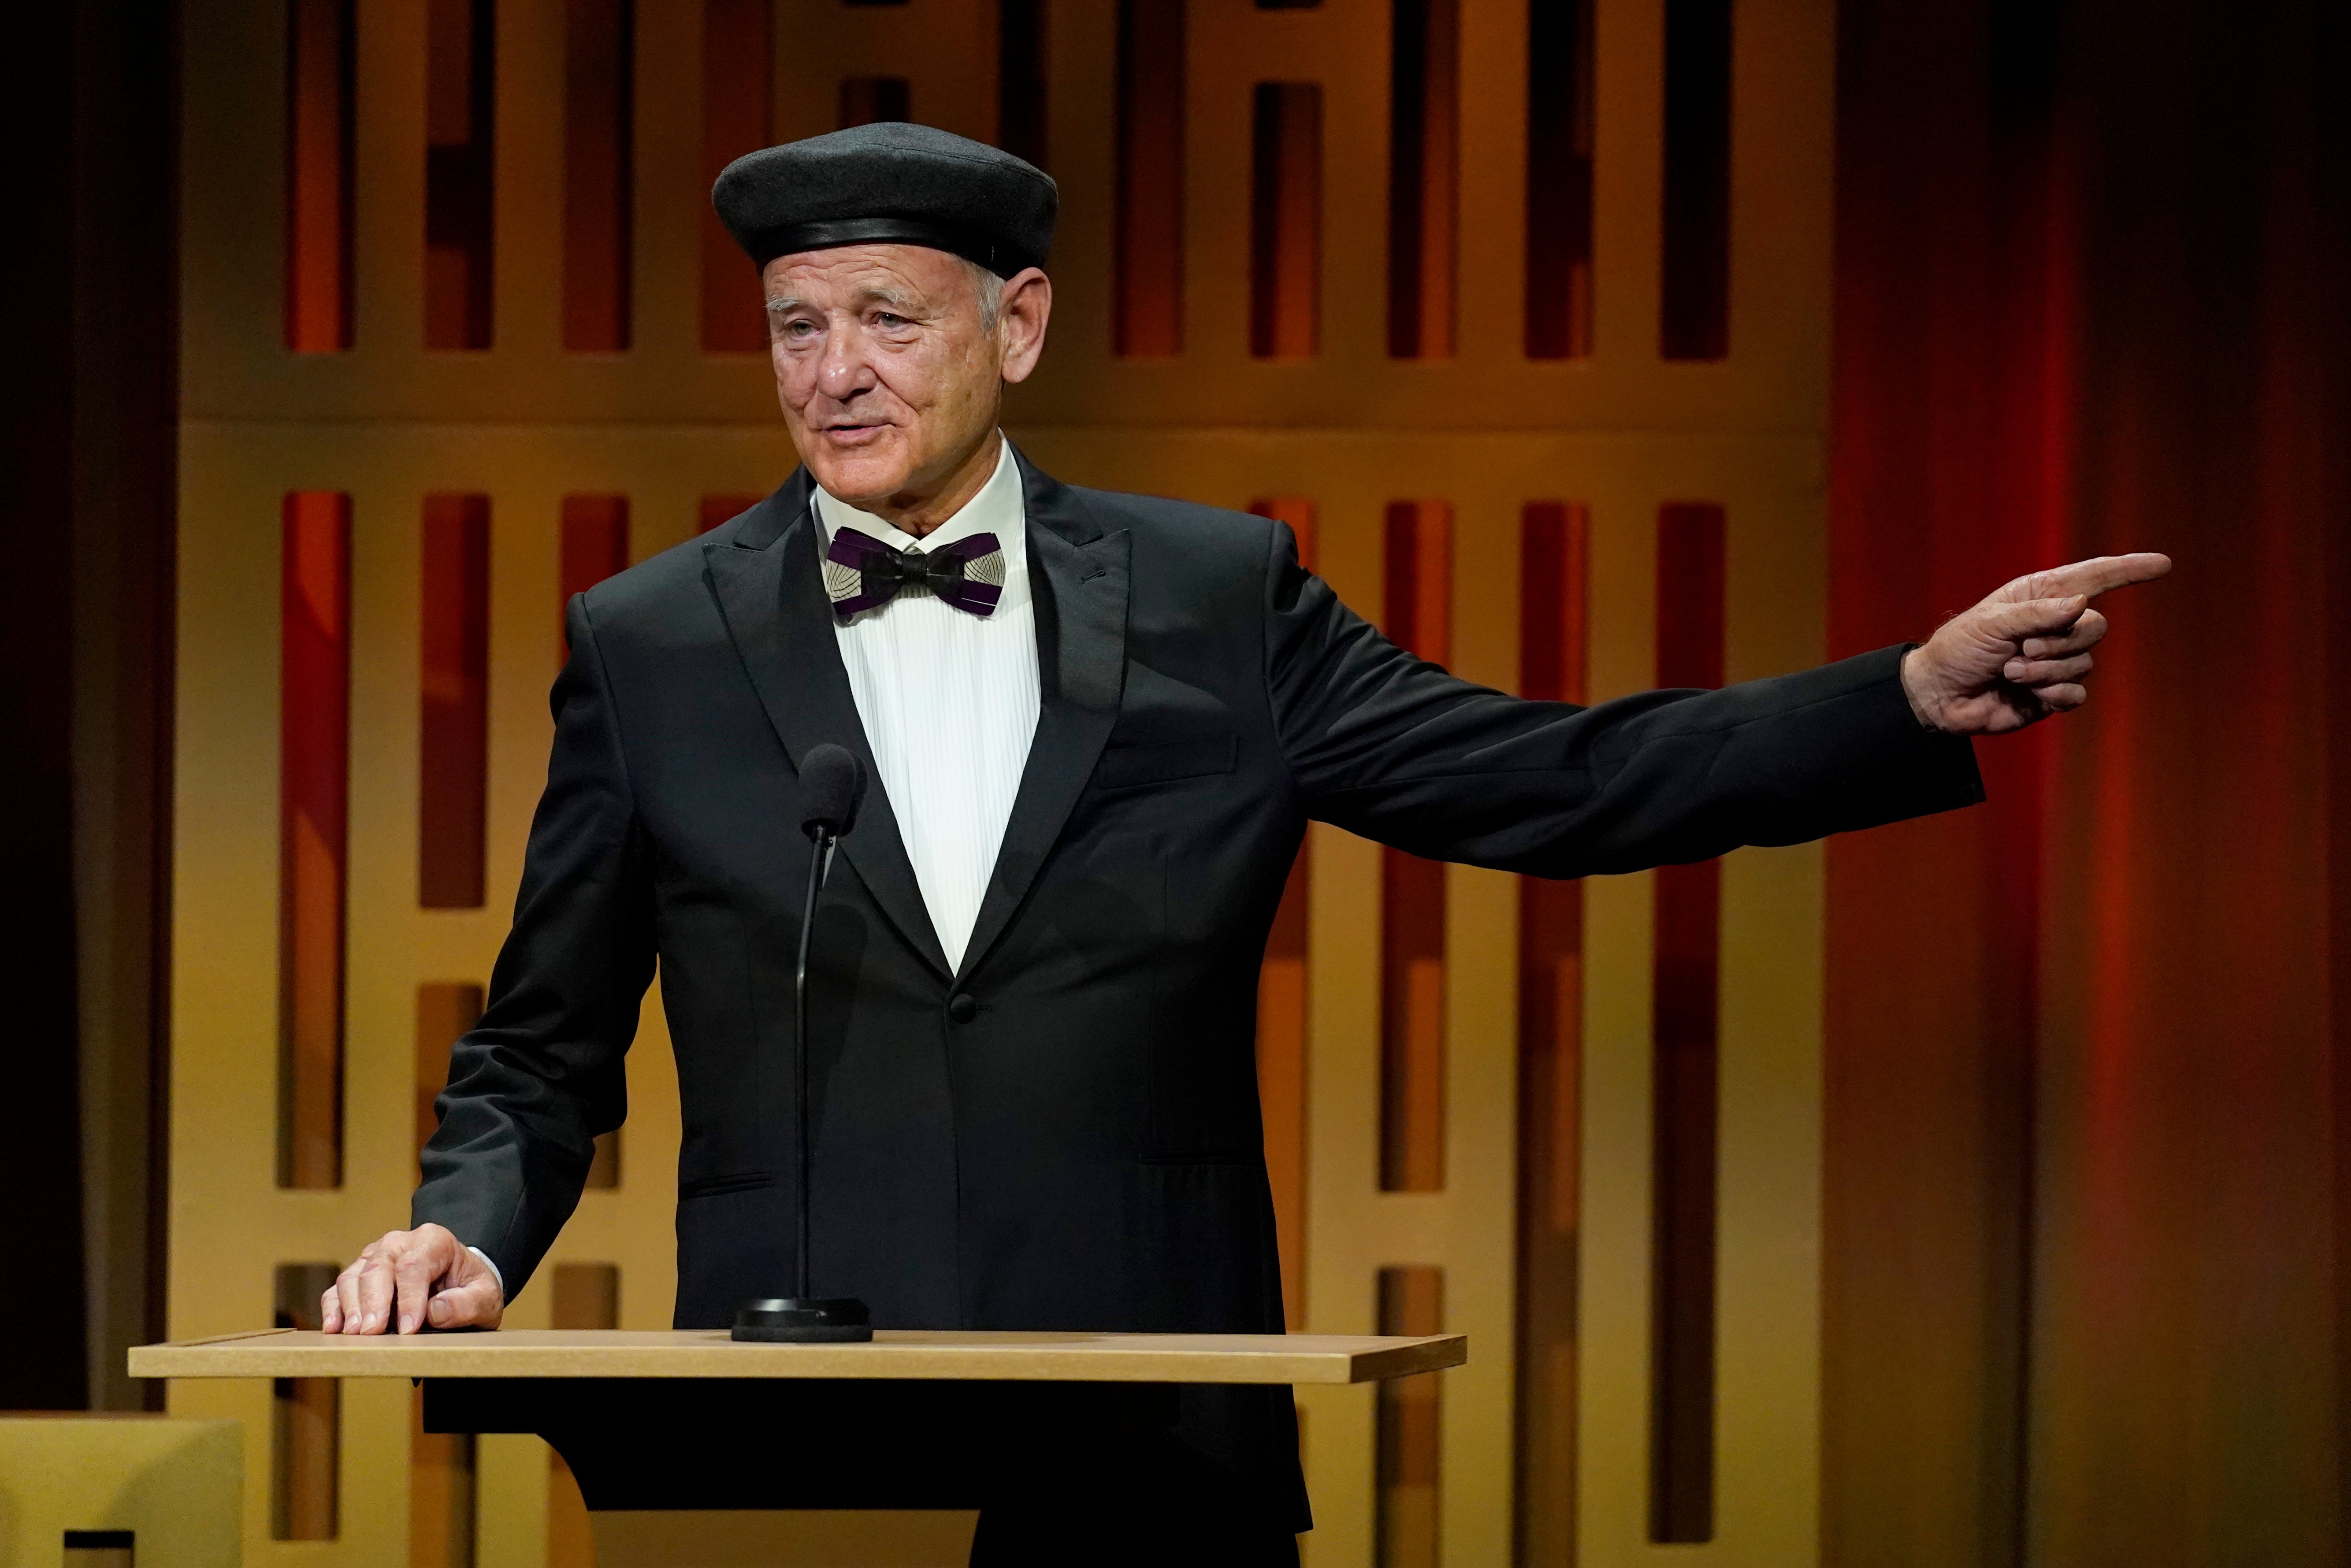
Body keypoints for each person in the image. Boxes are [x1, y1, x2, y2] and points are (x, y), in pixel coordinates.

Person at [318, 123, 2168, 1562]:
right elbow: (543, 1040)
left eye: (889, 316)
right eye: (798, 325)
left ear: (1015, 325)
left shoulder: (1213, 596)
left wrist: (1899, 701)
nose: (834, 372)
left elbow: (1549, 777)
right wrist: (463, 1227)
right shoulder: (652, 637)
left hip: (1158, 1429)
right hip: (803, 1448)